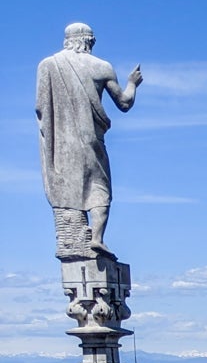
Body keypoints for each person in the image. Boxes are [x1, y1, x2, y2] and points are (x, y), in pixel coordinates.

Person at [37, 23, 140, 260]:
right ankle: (96, 238)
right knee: (100, 188)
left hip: (61, 142)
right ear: (89, 41)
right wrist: (133, 83)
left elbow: (40, 107)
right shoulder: (101, 67)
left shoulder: (47, 65)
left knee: (67, 186)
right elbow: (124, 103)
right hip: (92, 139)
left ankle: (75, 236)